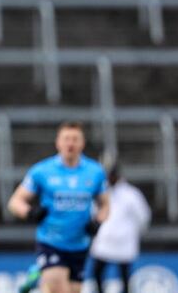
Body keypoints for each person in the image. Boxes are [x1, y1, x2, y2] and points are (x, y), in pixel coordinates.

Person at [7, 122, 110, 293]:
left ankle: (39, 279)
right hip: (51, 241)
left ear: (82, 143)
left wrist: (98, 221)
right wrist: (31, 213)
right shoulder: (42, 171)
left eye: (75, 139)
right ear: (58, 143)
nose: (71, 143)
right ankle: (44, 277)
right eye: (66, 139)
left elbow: (105, 204)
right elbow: (15, 202)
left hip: (79, 244)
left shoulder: (95, 172)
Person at [90, 164, 150, 293]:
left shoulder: (131, 194)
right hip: (104, 241)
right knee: (97, 273)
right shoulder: (101, 193)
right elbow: (94, 213)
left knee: (125, 276)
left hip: (124, 242)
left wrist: (136, 233)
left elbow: (143, 216)